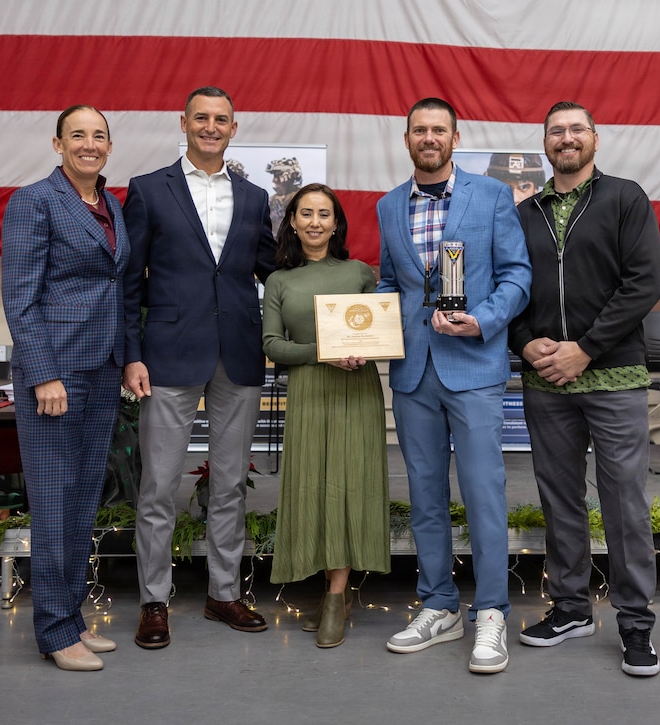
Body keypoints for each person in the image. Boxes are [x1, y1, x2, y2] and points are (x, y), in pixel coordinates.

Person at [507, 100, 660, 677]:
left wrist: (586, 348)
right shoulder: (526, 213)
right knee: (560, 499)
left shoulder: (625, 198)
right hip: (545, 379)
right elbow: (509, 288)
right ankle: (570, 608)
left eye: (576, 129)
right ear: (544, 143)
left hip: (613, 375)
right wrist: (525, 345)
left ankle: (635, 624)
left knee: (624, 502)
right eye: (556, 131)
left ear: (595, 138)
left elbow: (644, 282)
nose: (566, 138)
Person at [377, 97, 531, 674]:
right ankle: (439, 604)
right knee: (425, 497)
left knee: (484, 493)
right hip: (414, 372)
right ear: (407, 138)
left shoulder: (490, 196)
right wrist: (355, 331)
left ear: (455, 137)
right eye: (419, 129)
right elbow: (392, 284)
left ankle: (491, 611)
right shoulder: (389, 206)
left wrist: (486, 319)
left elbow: (518, 274)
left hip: (473, 368)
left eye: (438, 130)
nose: (429, 138)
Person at [122, 86, 276, 649]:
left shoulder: (256, 197)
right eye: (201, 118)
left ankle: (223, 594)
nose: (211, 127)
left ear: (235, 128)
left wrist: (330, 278)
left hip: (238, 353)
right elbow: (127, 282)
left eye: (222, 120)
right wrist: (131, 354)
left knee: (231, 483)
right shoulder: (146, 191)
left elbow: (272, 272)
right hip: (166, 356)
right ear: (183, 124)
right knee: (158, 486)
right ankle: (154, 601)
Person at [1, 105, 128, 671]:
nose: (90, 144)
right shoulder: (33, 201)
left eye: (99, 135)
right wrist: (44, 373)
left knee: (81, 502)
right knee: (53, 503)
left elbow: (114, 289)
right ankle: (53, 632)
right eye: (78, 135)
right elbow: (20, 298)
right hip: (55, 372)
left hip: (100, 369)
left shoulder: (110, 205)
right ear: (58, 144)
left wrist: (126, 359)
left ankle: (71, 616)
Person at [261, 183, 391, 648]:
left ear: (337, 223)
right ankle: (326, 587)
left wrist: (360, 351)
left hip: (357, 391)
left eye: (324, 214)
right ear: (292, 221)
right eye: (305, 213)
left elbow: (382, 331)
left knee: (350, 484)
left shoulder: (360, 273)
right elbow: (272, 346)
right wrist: (325, 352)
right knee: (315, 486)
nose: (315, 221)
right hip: (310, 392)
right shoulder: (279, 281)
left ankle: (337, 595)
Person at [266, 157, 303, 238]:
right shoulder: (271, 200)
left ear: (288, 177)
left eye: (277, 176)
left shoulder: (301, 197)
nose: (274, 180)